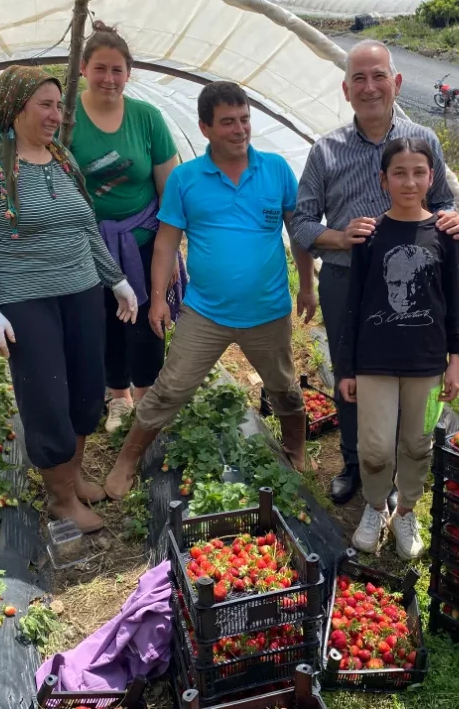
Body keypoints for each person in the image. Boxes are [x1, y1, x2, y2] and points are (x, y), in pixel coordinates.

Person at [103, 81, 317, 500]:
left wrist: (307, 286)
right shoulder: (186, 179)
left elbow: (298, 234)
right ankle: (127, 460)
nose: (239, 130)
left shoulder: (275, 170)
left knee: (284, 388)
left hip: (267, 311)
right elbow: (166, 242)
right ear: (205, 128)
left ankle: (295, 449)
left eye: (244, 120)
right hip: (206, 313)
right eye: (227, 123)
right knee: (171, 388)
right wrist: (159, 297)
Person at [0, 65, 139, 533]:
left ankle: (74, 478)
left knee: (84, 390)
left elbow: (85, 225)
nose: (56, 114)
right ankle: (61, 501)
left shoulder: (62, 160)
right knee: (47, 398)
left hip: (81, 291)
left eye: (58, 105)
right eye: (45, 104)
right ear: (16, 108)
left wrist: (115, 279)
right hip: (27, 301)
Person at [290, 39, 459, 506]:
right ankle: (357, 463)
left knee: (410, 372)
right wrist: (341, 237)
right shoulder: (326, 150)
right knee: (352, 372)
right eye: (359, 79)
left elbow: (443, 200)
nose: (370, 88)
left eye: (379, 76)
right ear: (346, 90)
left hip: (416, 279)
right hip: (348, 279)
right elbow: (302, 221)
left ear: (397, 83)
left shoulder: (423, 140)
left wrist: (451, 217)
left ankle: (402, 466)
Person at [335, 137, 459, 559]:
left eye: (419, 172)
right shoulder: (370, 235)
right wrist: (347, 368)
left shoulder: (445, 234)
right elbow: (353, 305)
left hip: (426, 364)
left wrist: (454, 361)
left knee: (417, 442)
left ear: (431, 177)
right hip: (375, 362)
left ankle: (406, 510)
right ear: (383, 179)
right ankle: (375, 506)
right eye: (399, 173)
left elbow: (454, 301)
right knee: (373, 448)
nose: (409, 182)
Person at [69, 21, 186, 434]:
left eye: (117, 70)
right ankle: (118, 397)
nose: (109, 78)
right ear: (83, 68)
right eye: (100, 68)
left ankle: (148, 397)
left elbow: (170, 192)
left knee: (148, 319)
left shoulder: (146, 118)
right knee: (105, 321)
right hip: (88, 243)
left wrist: (170, 252)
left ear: (128, 74)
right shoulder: (68, 121)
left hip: (141, 239)